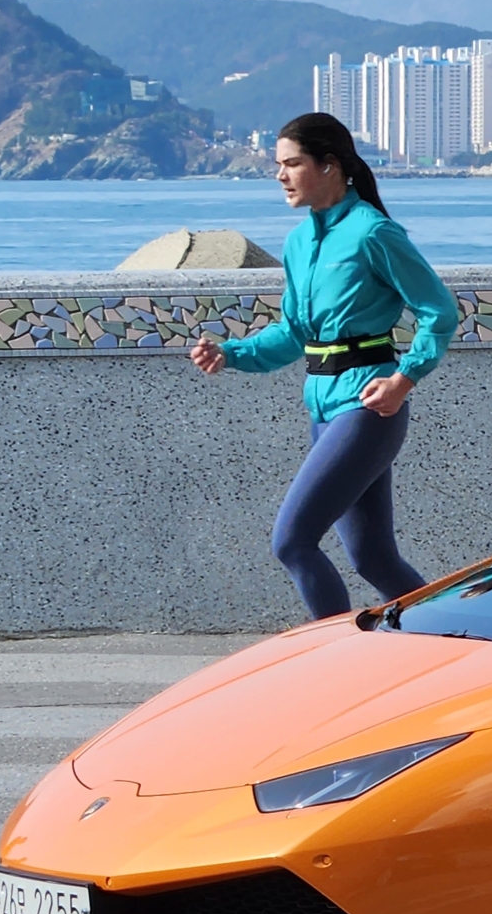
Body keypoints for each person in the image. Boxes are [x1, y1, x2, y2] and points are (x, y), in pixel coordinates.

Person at [190, 113, 456, 618]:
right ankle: (456, 642)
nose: (280, 175)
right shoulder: (298, 242)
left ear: (329, 166)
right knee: (376, 559)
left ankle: (331, 661)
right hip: (321, 406)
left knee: (292, 541)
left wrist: (404, 379)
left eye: (292, 163)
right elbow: (294, 333)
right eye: (279, 164)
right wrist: (231, 352)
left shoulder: (373, 233)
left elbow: (439, 311)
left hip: (366, 406)